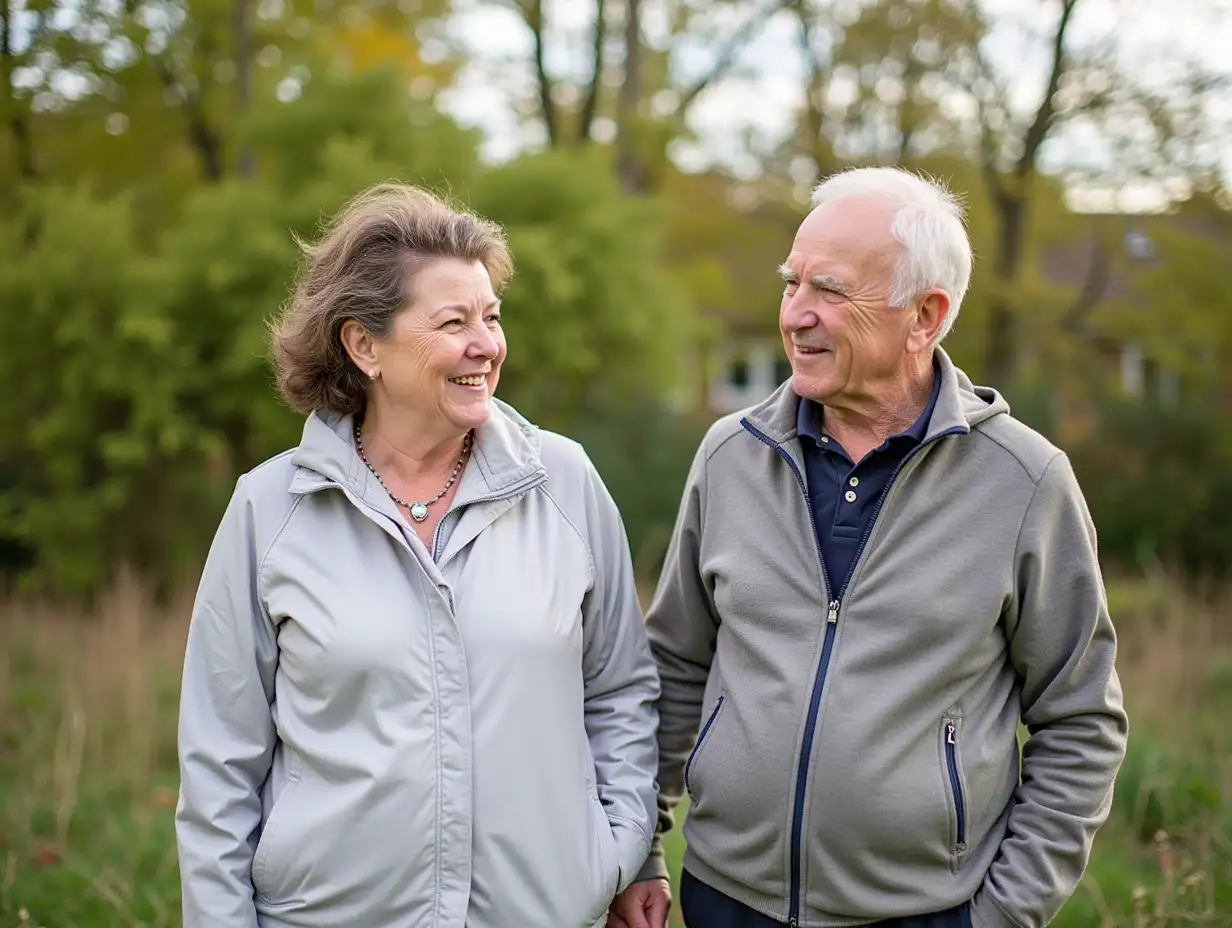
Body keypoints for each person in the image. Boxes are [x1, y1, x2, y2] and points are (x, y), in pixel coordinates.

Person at [608, 167, 1129, 928]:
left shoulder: (1025, 482)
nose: (796, 315)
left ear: (925, 316)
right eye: (791, 284)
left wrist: (1004, 915)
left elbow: (1080, 720)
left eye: (829, 290)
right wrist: (642, 850)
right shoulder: (731, 454)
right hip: (724, 901)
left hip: (926, 913)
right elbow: (676, 667)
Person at [175, 182, 660, 928]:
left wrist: (620, 852)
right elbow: (220, 762)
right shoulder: (270, 510)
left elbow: (620, 692)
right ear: (364, 345)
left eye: (491, 318)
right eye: (453, 322)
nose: (485, 345)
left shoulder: (565, 484)